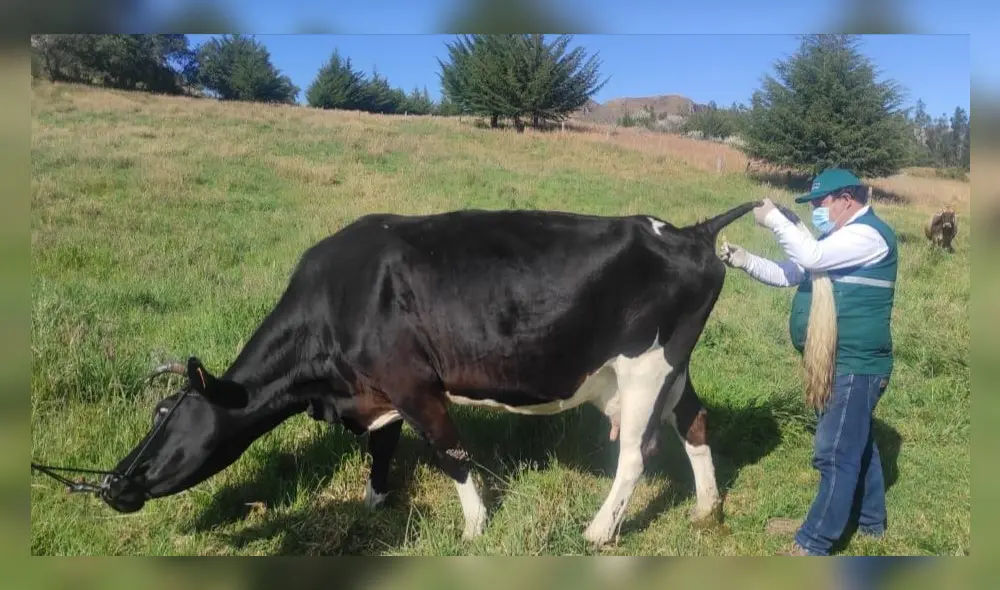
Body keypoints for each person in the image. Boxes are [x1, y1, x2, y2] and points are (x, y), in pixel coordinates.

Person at [719, 167, 898, 556]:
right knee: (857, 444)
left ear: (846, 199)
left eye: (820, 202)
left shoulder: (867, 235)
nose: (816, 209)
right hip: (835, 362)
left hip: (856, 364)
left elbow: (810, 254)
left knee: (835, 452)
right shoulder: (837, 238)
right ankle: (869, 523)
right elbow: (790, 273)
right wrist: (747, 260)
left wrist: (776, 221)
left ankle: (814, 542)